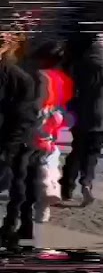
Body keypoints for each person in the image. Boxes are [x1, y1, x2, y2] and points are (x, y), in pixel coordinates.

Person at [61, 33, 103, 206]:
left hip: (80, 114)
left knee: (76, 150)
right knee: (92, 152)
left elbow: (68, 89)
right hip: (101, 115)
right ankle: (86, 181)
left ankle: (67, 188)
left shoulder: (79, 63)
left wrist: (71, 108)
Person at [0, 30, 40, 252]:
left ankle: (14, 230)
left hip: (15, 142)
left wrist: (8, 147)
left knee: (19, 187)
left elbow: (23, 117)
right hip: (13, 140)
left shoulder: (20, 78)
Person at [29, 41, 74, 228]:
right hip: (54, 121)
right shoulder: (62, 78)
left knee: (36, 159)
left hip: (38, 120)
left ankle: (46, 189)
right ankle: (48, 191)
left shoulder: (38, 77)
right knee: (49, 155)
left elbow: (34, 103)